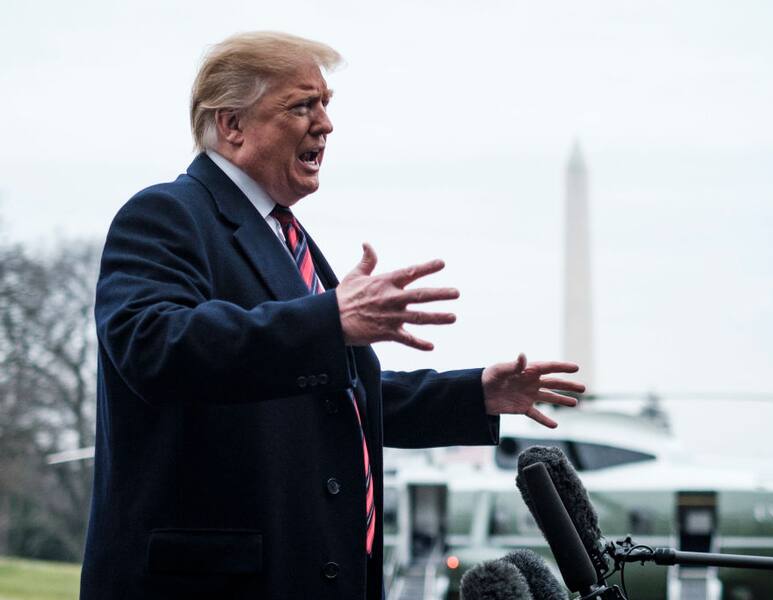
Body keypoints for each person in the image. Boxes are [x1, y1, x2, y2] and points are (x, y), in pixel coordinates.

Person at [80, 31, 584, 600]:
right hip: (213, 582)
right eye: (302, 106)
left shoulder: (288, 236)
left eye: (325, 104)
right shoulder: (166, 214)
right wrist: (328, 321)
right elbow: (151, 345)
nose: (325, 123)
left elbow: (336, 398)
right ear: (232, 125)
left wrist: (474, 395)